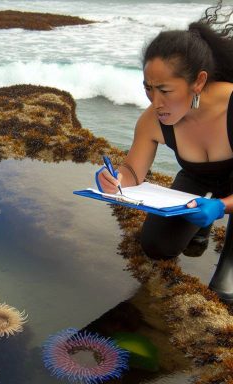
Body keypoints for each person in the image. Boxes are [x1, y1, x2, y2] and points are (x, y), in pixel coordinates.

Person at [96, 1, 233, 304]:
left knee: (225, 293)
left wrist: (221, 206)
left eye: (165, 90)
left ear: (198, 82)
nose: (155, 101)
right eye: (148, 88)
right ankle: (203, 222)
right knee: (156, 245)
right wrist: (117, 179)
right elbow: (134, 170)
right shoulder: (152, 119)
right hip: (199, 178)